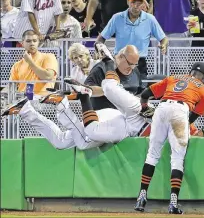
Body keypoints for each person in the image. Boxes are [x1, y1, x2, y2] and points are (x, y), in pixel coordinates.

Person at [1, 45, 152, 150]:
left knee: (61, 142)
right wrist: (83, 94)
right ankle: (63, 105)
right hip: (112, 117)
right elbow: (101, 89)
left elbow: (105, 91)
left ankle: (26, 110)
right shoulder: (100, 68)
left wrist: (78, 94)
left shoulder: (134, 74)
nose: (131, 68)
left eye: (134, 65)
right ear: (120, 56)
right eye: (129, 63)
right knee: (87, 136)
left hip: (117, 120)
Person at [134, 62, 204, 214]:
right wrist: (178, 129)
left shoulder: (173, 78)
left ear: (190, 71)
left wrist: (144, 107)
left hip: (162, 108)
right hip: (181, 110)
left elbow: (145, 94)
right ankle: (173, 203)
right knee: (177, 158)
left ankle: (141, 197)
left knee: (152, 154)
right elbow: (193, 116)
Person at [95, 0, 168, 80]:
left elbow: (163, 38)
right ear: (127, 2)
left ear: (144, 4)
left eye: (139, 3)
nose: (136, 6)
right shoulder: (117, 18)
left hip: (139, 62)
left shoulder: (150, 19)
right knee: (119, 90)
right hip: (120, 61)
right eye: (133, 2)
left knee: (140, 91)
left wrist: (163, 45)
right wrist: (99, 47)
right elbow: (101, 38)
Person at [84, 44, 143, 110]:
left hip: (127, 116)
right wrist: (109, 90)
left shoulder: (135, 70)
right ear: (121, 57)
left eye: (135, 64)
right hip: (105, 115)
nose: (132, 68)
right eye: (130, 64)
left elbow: (138, 92)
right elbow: (86, 90)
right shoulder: (101, 68)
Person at [3, 30, 58, 96]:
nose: (32, 43)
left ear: (38, 43)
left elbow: (48, 76)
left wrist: (30, 62)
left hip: (43, 102)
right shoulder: (17, 65)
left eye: (34, 41)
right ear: (22, 43)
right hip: (23, 102)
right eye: (28, 41)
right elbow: (10, 86)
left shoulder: (49, 57)